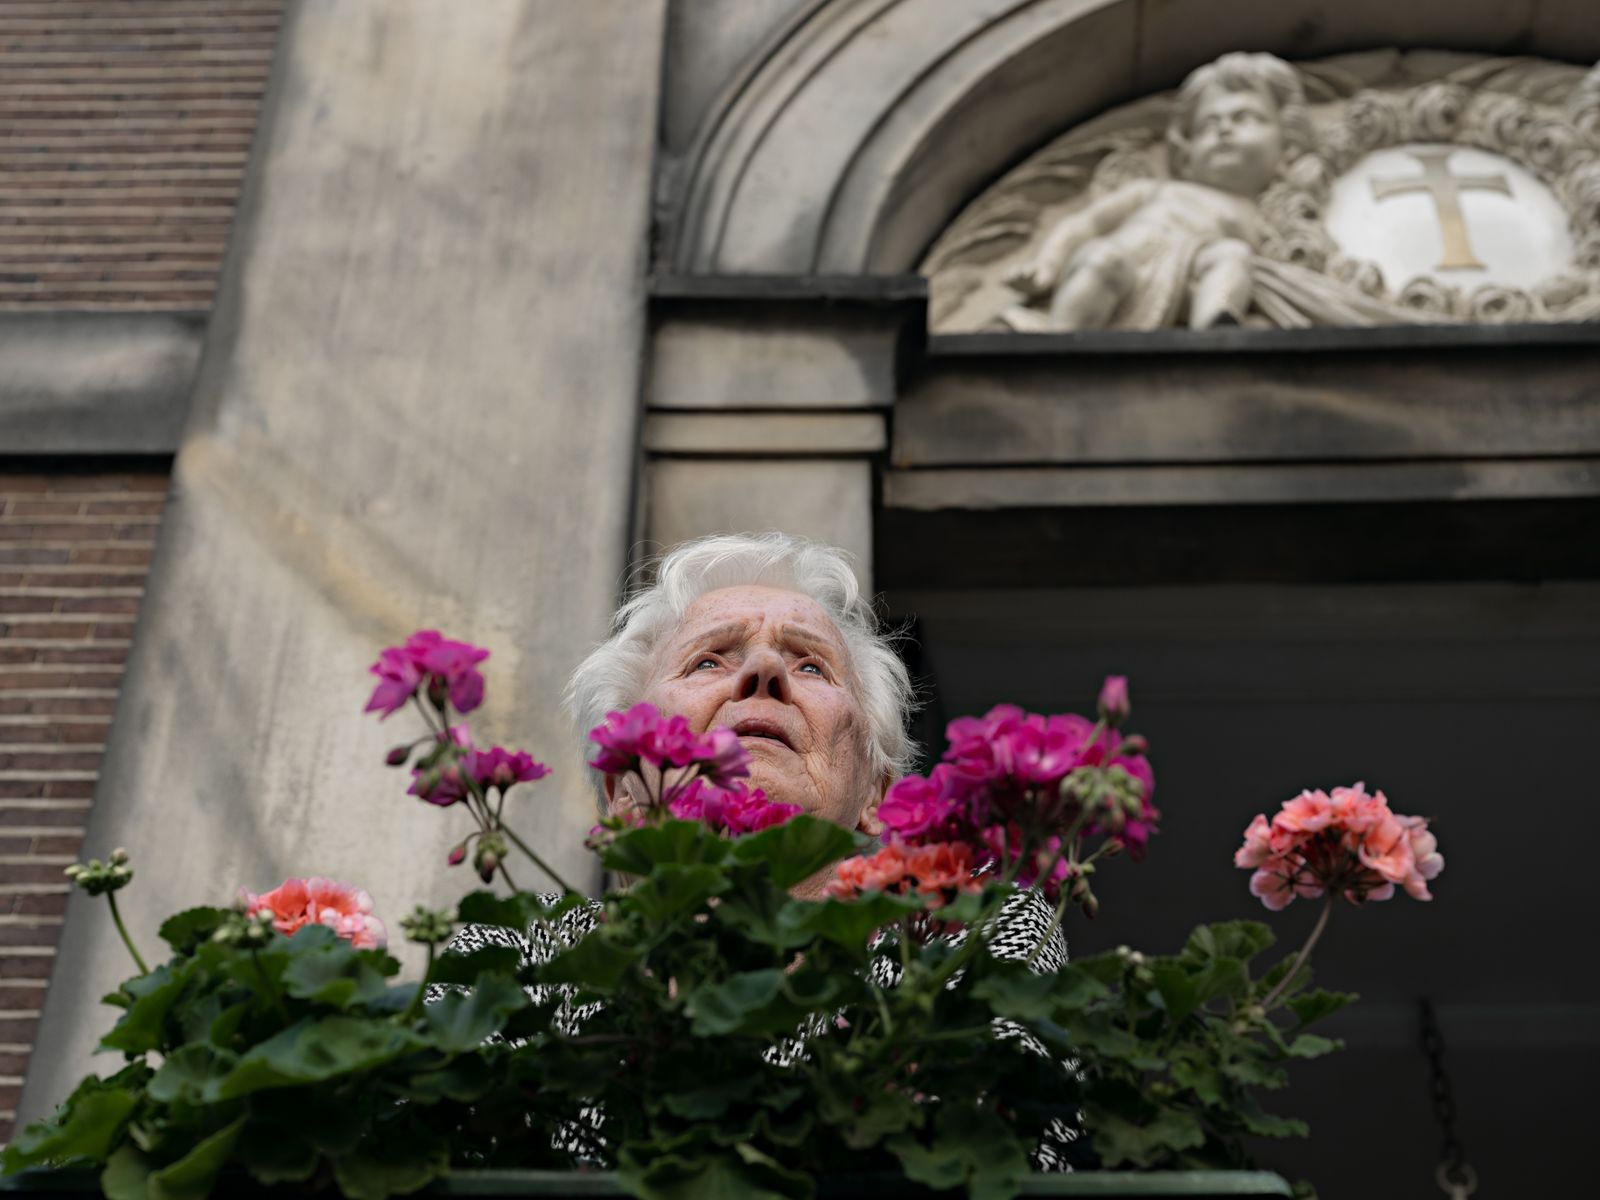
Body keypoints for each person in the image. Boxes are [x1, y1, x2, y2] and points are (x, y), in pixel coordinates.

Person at [438, 532, 1073, 1162]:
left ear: (877, 794)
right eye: (709, 660)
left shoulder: (963, 935)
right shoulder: (518, 954)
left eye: (810, 665)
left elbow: (1010, 1152)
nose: (764, 671)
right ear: (623, 782)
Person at [1002, 52, 1311, 331]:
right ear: (1186, 155)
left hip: (1184, 287)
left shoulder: (1264, 219)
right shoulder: (1155, 191)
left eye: (1244, 118)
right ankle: (1056, 345)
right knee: (1102, 258)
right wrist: (1047, 264)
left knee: (1232, 254)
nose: (1224, 129)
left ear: (1287, 148)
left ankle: (1214, 334)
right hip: (1125, 269)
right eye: (1208, 125)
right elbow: (1085, 224)